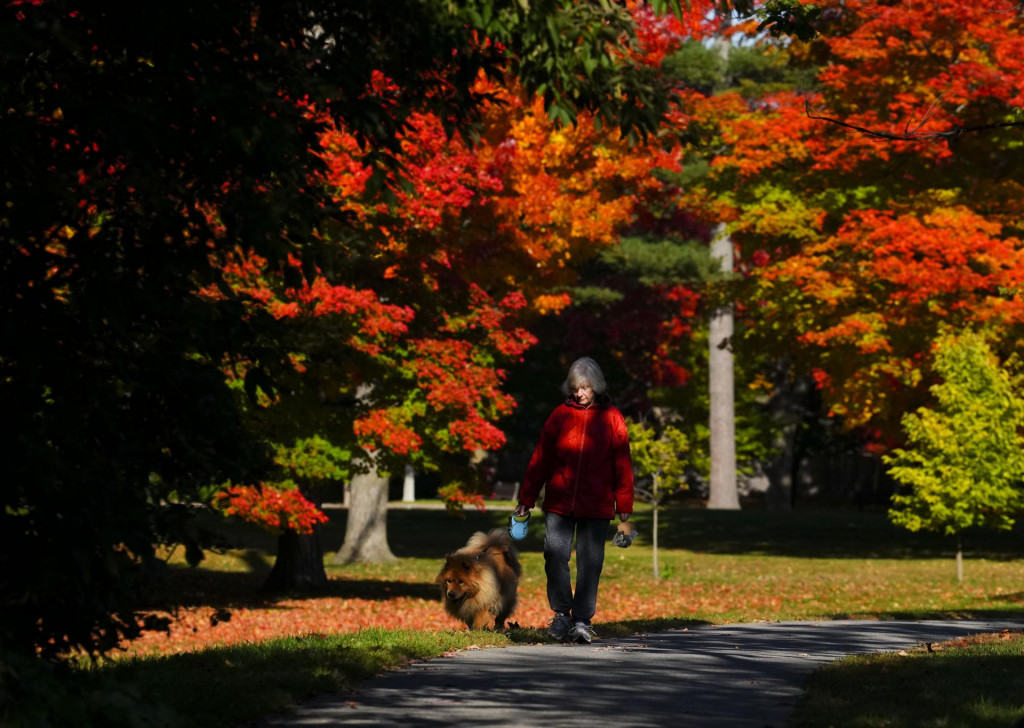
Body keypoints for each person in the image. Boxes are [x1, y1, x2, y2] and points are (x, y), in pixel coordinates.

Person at [514, 356, 634, 644]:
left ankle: (582, 619)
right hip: (559, 500)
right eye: (574, 388)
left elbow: (622, 463)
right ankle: (562, 615)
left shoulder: (612, 418)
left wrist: (624, 506)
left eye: (585, 388)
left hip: (597, 503)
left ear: (596, 386)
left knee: (591, 562)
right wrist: (526, 498)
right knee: (555, 554)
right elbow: (541, 458)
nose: (579, 393)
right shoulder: (559, 416)